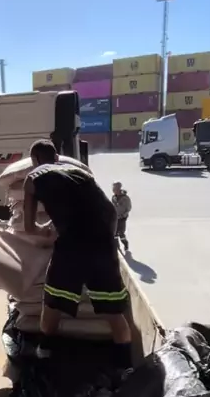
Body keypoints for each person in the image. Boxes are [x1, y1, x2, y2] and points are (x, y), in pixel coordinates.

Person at [23, 139, 131, 355]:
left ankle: (45, 351)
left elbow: (29, 227)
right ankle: (126, 364)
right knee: (112, 310)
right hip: (103, 241)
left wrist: (46, 232)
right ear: (56, 158)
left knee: (53, 302)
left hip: (72, 245)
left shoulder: (33, 177)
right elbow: (106, 210)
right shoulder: (80, 172)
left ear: (34, 160)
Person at [112, 181, 132, 252]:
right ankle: (116, 247)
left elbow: (129, 208)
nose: (113, 190)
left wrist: (124, 214)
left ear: (119, 188)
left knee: (121, 233)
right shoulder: (113, 197)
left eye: (115, 188)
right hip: (115, 218)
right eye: (113, 188)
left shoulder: (125, 198)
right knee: (114, 233)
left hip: (122, 218)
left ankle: (125, 243)